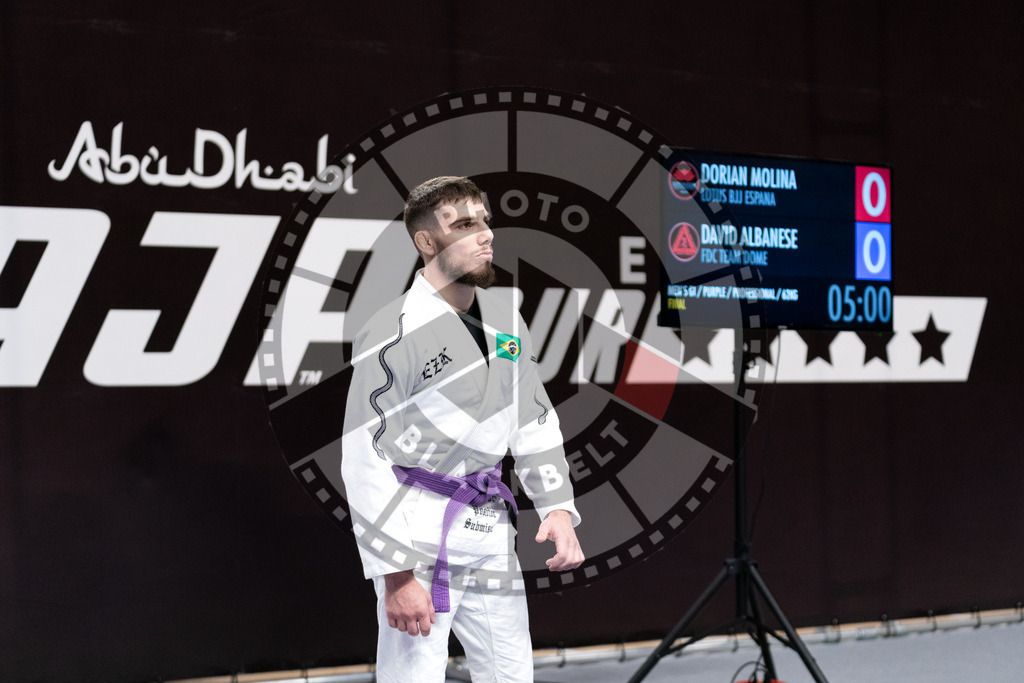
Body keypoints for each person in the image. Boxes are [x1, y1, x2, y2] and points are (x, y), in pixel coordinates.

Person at [341, 176, 584, 682]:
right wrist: (395, 573)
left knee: (512, 675)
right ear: (426, 243)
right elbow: (365, 455)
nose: (485, 235)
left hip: (490, 527)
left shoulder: (505, 316)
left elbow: (533, 416)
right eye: (464, 225)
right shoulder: (393, 329)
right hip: (418, 531)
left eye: (485, 222)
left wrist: (557, 506)